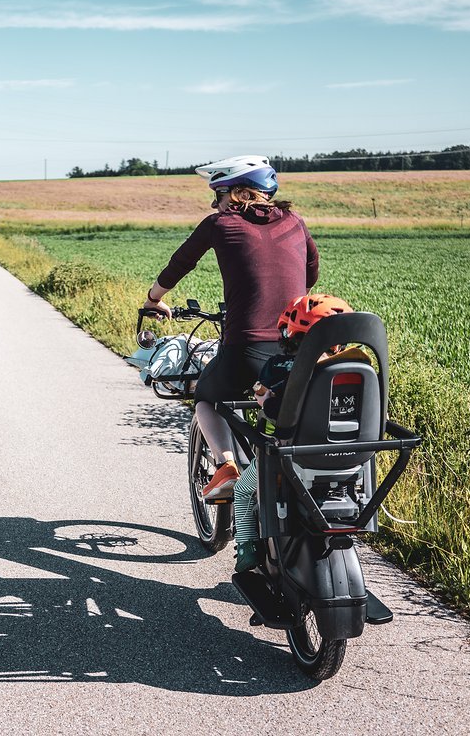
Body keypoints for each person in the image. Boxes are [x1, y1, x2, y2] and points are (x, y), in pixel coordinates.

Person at [144, 155, 319, 504]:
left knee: (207, 397)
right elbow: (310, 274)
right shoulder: (295, 222)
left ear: (236, 193)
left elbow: (180, 264)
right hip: (299, 348)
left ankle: (226, 469)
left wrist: (153, 299)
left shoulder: (219, 224)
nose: (216, 204)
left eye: (218, 196)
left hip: (247, 347)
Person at [233, 293, 369, 572]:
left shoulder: (278, 366)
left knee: (243, 490)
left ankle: (247, 548)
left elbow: (274, 408)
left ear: (289, 332)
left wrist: (263, 397)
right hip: (349, 458)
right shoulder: (356, 368)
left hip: (286, 454)